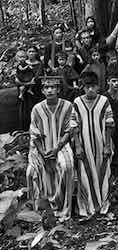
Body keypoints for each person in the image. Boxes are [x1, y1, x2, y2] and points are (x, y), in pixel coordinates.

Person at [26, 75, 74, 222]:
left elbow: (70, 130)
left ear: (58, 89)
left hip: (61, 145)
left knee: (67, 166)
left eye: (53, 87)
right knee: (30, 172)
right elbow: (34, 134)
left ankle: (63, 206)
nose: (50, 90)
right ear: (42, 91)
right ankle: (38, 210)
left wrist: (57, 148)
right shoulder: (37, 109)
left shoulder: (67, 106)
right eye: (47, 87)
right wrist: (44, 153)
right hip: (41, 148)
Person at [71, 71, 114, 220]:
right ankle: (87, 206)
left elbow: (109, 124)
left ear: (98, 87)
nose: (90, 90)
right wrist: (77, 145)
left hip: (101, 143)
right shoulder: (77, 102)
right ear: (82, 87)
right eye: (87, 86)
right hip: (84, 144)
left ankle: (103, 203)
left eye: (93, 86)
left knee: (103, 172)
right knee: (84, 173)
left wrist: (107, 145)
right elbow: (74, 125)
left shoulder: (104, 101)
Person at [14, 49, 40, 131]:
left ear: (36, 53)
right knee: (24, 109)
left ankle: (35, 127)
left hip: (35, 91)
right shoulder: (21, 64)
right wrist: (23, 83)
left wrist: (29, 83)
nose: (31, 53)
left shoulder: (39, 64)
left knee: (33, 108)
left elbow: (37, 78)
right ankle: (24, 128)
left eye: (33, 51)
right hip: (24, 90)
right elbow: (17, 76)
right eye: (29, 51)